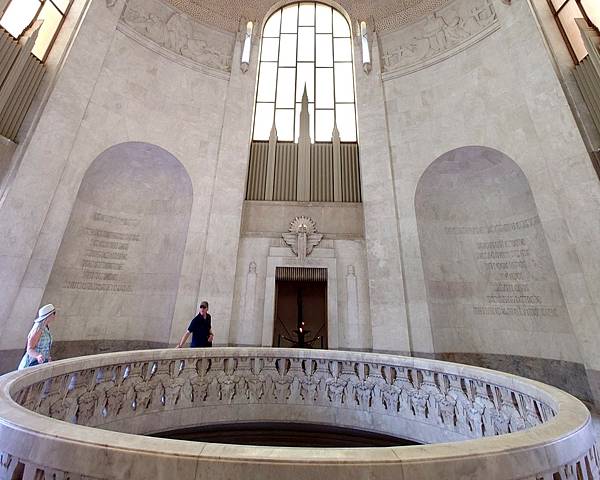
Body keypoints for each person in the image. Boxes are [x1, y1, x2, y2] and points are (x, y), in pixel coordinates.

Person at [18, 304, 56, 370]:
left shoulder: (45, 328)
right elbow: (29, 349)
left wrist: (47, 357)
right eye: (54, 313)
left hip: (41, 363)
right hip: (32, 363)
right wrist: (38, 356)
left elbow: (45, 347)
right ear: (48, 315)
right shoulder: (38, 329)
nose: (54, 315)